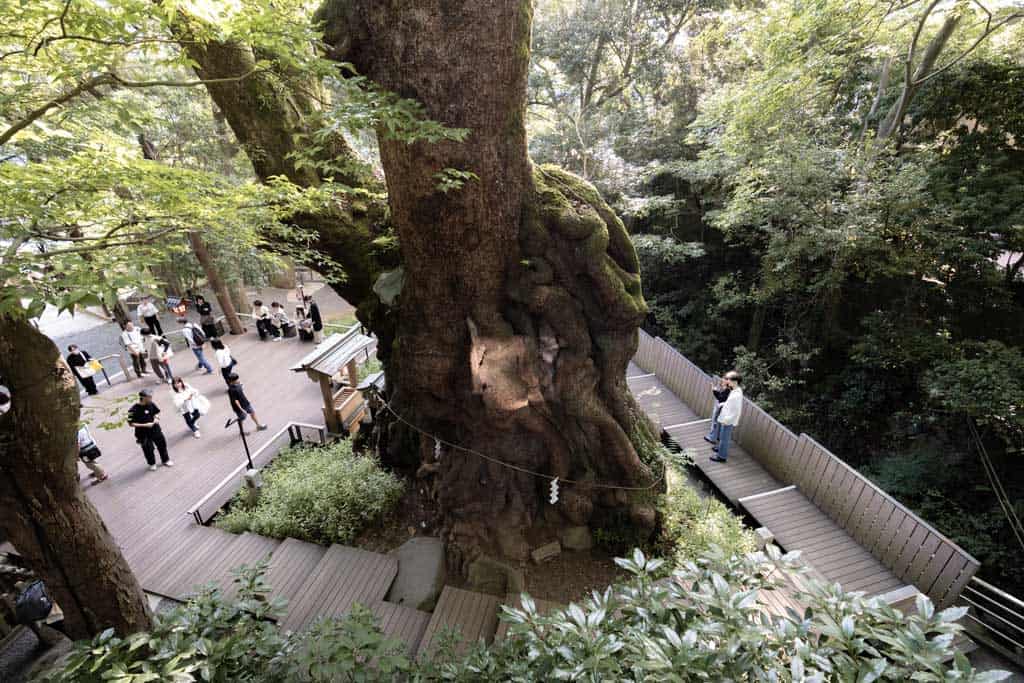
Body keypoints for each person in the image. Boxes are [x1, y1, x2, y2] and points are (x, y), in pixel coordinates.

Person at [127, 389, 173, 471]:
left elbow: (156, 412)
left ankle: (165, 460)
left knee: (162, 445)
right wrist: (145, 425)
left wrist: (156, 418)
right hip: (142, 434)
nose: (151, 398)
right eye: (149, 397)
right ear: (143, 398)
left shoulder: (151, 404)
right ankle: (152, 463)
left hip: (155, 429)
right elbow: (131, 423)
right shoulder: (133, 410)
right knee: (148, 449)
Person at [710, 371, 743, 463]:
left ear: (735, 381)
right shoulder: (735, 390)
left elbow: (736, 410)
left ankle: (721, 457)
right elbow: (730, 403)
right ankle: (720, 450)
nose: (727, 381)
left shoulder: (737, 394)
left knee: (725, 439)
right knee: (722, 436)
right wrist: (723, 404)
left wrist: (726, 420)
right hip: (726, 418)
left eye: (729, 379)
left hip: (728, 420)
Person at [703, 376, 732, 446]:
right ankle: (715, 437)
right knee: (717, 423)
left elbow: (721, 398)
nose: (722, 381)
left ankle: (712, 438)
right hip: (721, 408)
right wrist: (715, 391)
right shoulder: (726, 389)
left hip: (721, 408)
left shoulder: (727, 390)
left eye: (724, 380)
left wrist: (714, 391)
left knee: (715, 422)